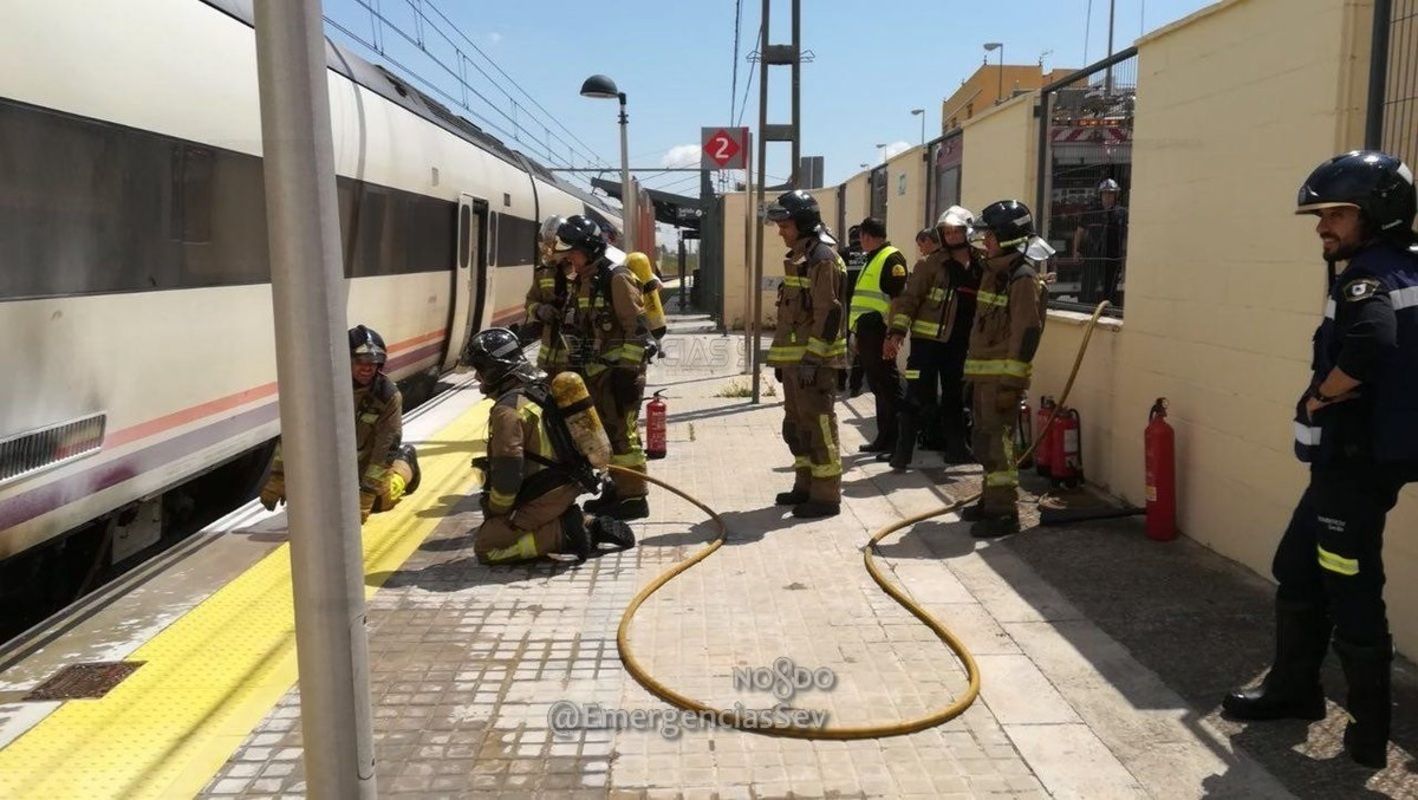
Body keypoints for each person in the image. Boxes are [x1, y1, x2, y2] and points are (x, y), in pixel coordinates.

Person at [1222, 151, 1418, 769]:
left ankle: (1366, 735)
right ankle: (1295, 690)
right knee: (1296, 565)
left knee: (1352, 584)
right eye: (1321, 215)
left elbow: (1371, 341)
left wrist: (1321, 393)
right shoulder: (1403, 267)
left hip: (1356, 464)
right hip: (1364, 461)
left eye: (1336, 214)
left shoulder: (1366, 278)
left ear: (1378, 214)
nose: (1322, 227)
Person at [463, 328, 635, 564]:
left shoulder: (507, 411)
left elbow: (508, 474)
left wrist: (496, 512)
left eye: (479, 370)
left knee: (487, 545)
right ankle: (583, 522)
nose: (477, 378)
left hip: (544, 494)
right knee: (502, 526)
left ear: (494, 370)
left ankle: (563, 533)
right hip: (567, 485)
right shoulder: (539, 390)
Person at [259, 325, 421, 523]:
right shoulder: (319, 390)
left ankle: (406, 466)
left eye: (375, 361)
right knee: (316, 503)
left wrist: (368, 494)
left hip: (367, 463)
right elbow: (294, 434)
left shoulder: (388, 396)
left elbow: (385, 448)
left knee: (380, 502)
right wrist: (278, 477)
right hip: (330, 464)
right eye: (361, 361)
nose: (368, 367)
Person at [555, 215, 654, 521]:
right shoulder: (584, 280)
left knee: (622, 437)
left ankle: (634, 498)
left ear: (589, 248)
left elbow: (637, 331)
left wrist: (626, 374)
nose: (568, 257)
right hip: (596, 375)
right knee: (606, 438)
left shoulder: (617, 278)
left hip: (617, 375)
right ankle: (616, 487)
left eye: (572, 251)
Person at [961, 201, 1050, 538]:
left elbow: (1026, 334)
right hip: (985, 379)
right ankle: (990, 500)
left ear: (1008, 238)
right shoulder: (995, 274)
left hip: (1001, 381)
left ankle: (1003, 513)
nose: (985, 243)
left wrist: (1012, 383)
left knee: (999, 446)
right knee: (984, 442)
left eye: (991, 237)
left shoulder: (1021, 277)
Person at [764, 189, 849, 518]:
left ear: (802, 223)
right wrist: (785, 362)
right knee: (796, 427)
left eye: (785, 225)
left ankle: (826, 496)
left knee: (818, 427)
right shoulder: (803, 256)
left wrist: (812, 359)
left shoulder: (822, 258)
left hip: (815, 364)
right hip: (798, 364)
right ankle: (805, 485)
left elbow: (829, 314)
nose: (781, 232)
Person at [887, 207, 980, 468]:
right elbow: (909, 300)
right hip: (925, 346)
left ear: (967, 232)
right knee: (914, 395)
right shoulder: (930, 263)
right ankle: (902, 453)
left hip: (958, 345)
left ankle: (957, 449)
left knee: (954, 396)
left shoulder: (981, 263)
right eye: (946, 232)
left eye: (956, 231)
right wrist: (896, 332)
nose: (951, 236)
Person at [849, 217, 911, 459]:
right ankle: (883, 439)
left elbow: (898, 300)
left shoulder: (891, 258)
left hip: (879, 332)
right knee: (878, 386)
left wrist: (891, 335)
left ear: (866, 236)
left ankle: (897, 444)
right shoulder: (874, 257)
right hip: (867, 333)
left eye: (862, 237)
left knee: (888, 387)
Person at [525, 215, 573, 377]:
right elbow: (530, 301)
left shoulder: (579, 269)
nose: (548, 248)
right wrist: (539, 310)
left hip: (573, 357)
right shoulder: (544, 272)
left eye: (552, 242)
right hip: (548, 356)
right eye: (546, 242)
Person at [1072, 178, 1128, 306]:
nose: (1108, 196)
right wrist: (1075, 252)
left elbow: (1126, 236)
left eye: (1112, 193)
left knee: (1110, 289)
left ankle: (1107, 312)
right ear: (1101, 194)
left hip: (1112, 257)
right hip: (1092, 256)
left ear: (1116, 195)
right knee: (1088, 287)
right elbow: (1079, 232)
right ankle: (1086, 310)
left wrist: (1125, 259)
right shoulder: (1092, 211)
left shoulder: (1122, 213)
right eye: (1106, 193)